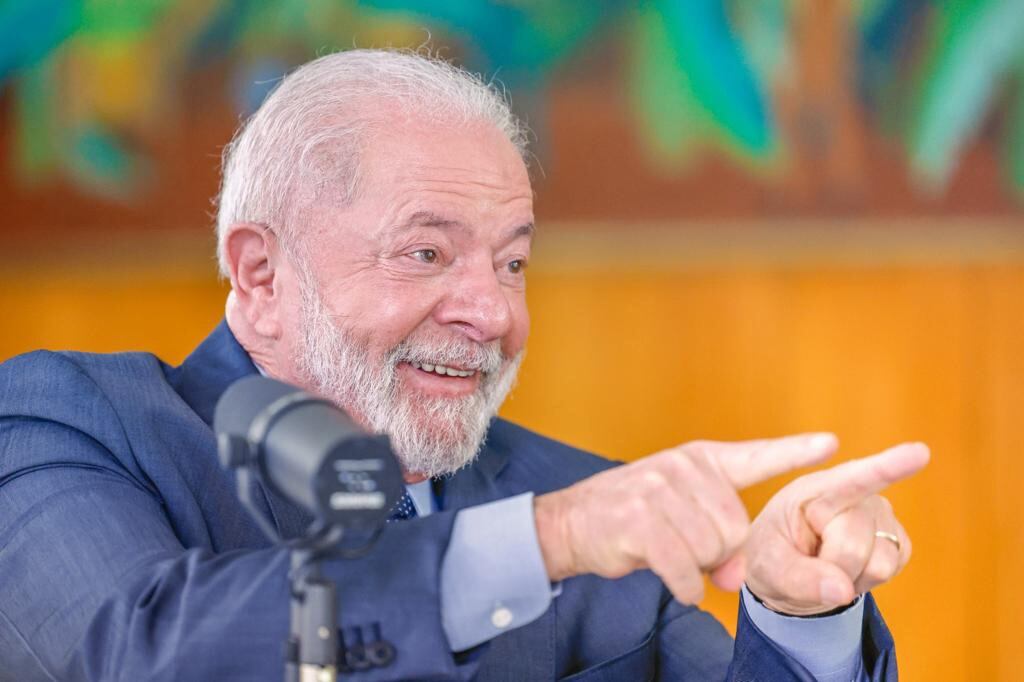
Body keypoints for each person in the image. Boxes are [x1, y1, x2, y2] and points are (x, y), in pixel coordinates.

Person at [0, 49, 927, 681]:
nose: (494, 314)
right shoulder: (71, 423)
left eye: (513, 263)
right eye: (427, 253)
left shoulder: (587, 502)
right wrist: (542, 543)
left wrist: (798, 614)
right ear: (261, 272)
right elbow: (137, 654)